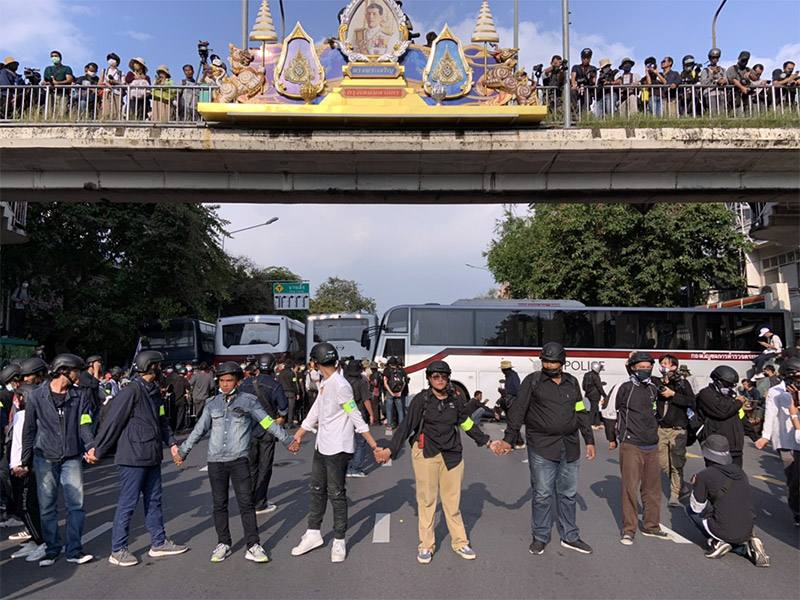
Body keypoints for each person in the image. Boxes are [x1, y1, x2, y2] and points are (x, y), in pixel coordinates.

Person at [175, 361, 297, 563]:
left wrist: (287, 440)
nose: (225, 384)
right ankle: (223, 543)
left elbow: (267, 421)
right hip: (215, 461)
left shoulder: (248, 401)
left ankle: (253, 545)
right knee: (219, 504)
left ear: (238, 382)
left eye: (229, 380)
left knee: (246, 503)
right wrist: (183, 451)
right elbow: (199, 430)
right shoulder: (212, 403)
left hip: (239, 459)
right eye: (222, 380)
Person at [376, 360, 494, 563]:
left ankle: (460, 542)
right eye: (435, 377)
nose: (440, 380)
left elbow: (466, 423)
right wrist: (390, 449)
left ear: (448, 378)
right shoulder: (421, 400)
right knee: (427, 501)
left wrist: (488, 442)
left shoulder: (455, 400)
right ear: (429, 379)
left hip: (452, 455)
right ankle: (426, 545)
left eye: (443, 376)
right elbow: (406, 426)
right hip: (426, 455)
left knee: (452, 504)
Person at [493, 342, 595, 555]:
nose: (548, 365)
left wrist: (590, 440)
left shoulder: (572, 383)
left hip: (570, 446)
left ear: (562, 362)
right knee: (542, 494)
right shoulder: (533, 382)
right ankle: (540, 536)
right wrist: (508, 440)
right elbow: (518, 411)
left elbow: (580, 411)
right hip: (542, 447)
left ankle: (570, 536)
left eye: (553, 361)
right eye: (545, 361)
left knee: (568, 494)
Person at [86, 350, 187, 566]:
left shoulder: (154, 392)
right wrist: (98, 451)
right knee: (128, 504)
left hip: (151, 455)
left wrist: (172, 443)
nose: (161, 370)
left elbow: (161, 420)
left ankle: (159, 543)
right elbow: (112, 423)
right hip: (132, 457)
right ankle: (118, 549)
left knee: (154, 500)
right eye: (159, 366)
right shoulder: (130, 392)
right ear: (150, 366)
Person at [291, 343, 379, 563]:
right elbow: (316, 410)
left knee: (336, 494)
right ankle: (313, 533)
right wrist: (299, 434)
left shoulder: (340, 385)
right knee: (316, 489)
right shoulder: (326, 382)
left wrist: (373, 444)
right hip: (322, 445)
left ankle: (339, 539)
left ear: (315, 362)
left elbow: (354, 414)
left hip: (338, 447)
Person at [20, 354, 95, 567]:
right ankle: (53, 549)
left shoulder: (79, 396)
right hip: (44, 457)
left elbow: (85, 423)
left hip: (71, 457)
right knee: (47, 507)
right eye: (77, 371)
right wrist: (25, 459)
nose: (79, 375)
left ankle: (74, 550)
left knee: (76, 505)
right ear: (64, 371)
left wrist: (90, 446)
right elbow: (29, 430)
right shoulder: (36, 397)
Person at [685, 435, 769, 566]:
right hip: (748, 528)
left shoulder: (704, 475)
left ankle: (716, 542)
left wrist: (696, 486)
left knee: (689, 510)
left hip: (723, 528)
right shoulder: (739, 471)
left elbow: (697, 508)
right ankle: (749, 547)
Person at [615, 352, 671, 545]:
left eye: (648, 367)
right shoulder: (625, 388)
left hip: (652, 444)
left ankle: (651, 526)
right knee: (629, 489)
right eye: (641, 367)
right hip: (631, 444)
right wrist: (615, 438)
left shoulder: (653, 387)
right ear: (632, 368)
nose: (645, 370)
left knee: (652, 489)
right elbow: (613, 414)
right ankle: (629, 530)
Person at [238, 352, 288, 514]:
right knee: (264, 466)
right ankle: (260, 503)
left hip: (247, 430)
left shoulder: (245, 383)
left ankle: (249, 500)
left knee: (250, 467)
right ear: (273, 366)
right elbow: (283, 408)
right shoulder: (275, 385)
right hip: (267, 429)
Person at [754, 357, 800, 526]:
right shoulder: (775, 392)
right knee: (793, 477)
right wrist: (765, 437)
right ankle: (797, 510)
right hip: (786, 441)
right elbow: (770, 415)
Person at [8, 384, 47, 562]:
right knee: (23, 504)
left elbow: (25, 442)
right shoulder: (20, 415)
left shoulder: (26, 416)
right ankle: (34, 538)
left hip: (24, 467)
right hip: (16, 465)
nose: (17, 400)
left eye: (20, 397)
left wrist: (22, 464)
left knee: (26, 506)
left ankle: (41, 541)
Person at [695, 365, 758, 468]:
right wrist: (738, 402)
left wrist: (755, 438)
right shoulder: (706, 394)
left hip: (735, 447)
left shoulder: (731, 396)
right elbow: (722, 412)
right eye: (727, 384)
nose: (729, 387)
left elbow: (741, 418)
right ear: (717, 381)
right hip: (716, 446)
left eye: (732, 385)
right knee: (717, 478)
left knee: (736, 478)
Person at [655, 354, 696, 507]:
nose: (662, 366)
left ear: (674, 366)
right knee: (662, 462)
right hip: (661, 429)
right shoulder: (656, 382)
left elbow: (691, 401)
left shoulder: (682, 384)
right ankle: (682, 486)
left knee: (676, 463)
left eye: (665, 363)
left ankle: (674, 494)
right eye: (661, 363)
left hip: (678, 429)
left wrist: (673, 395)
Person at [344, 360, 374, 478]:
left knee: (348, 441)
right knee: (361, 442)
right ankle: (356, 468)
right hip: (359, 413)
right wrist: (371, 414)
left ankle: (347, 466)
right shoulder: (361, 382)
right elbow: (366, 399)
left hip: (345, 414)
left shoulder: (344, 382)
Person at [42, 50, 74, 118]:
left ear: (60, 58)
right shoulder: (48, 69)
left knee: (62, 112)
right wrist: (47, 83)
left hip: (62, 93)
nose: (54, 58)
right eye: (52, 56)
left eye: (56, 56)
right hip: (51, 93)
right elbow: (44, 81)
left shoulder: (66, 68)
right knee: (49, 112)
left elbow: (69, 79)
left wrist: (57, 83)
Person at [499, 360, 523, 447]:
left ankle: (512, 443)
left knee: (512, 422)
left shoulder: (513, 376)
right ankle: (519, 441)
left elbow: (517, 390)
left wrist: (505, 391)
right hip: (509, 402)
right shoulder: (508, 376)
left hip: (512, 402)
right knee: (511, 422)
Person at [699, 48, 728, 116]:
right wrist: (712, 75)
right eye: (713, 58)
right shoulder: (705, 71)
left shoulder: (723, 70)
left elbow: (727, 81)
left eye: (716, 58)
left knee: (722, 113)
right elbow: (703, 84)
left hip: (721, 93)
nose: (714, 59)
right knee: (713, 113)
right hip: (710, 94)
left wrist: (724, 81)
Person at [383, 356, 407, 431]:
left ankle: (390, 425)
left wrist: (390, 392)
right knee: (400, 409)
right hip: (399, 391)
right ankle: (401, 425)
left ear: (389, 364)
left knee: (389, 409)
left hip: (390, 392)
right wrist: (400, 392)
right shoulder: (401, 370)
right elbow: (404, 382)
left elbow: (385, 382)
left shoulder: (387, 370)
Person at [570, 48, 596, 116]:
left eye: (587, 58)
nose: (585, 60)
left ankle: (583, 117)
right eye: (584, 58)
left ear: (590, 58)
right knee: (572, 92)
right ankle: (574, 113)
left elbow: (594, 81)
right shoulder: (576, 67)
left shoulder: (592, 68)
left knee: (585, 106)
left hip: (587, 89)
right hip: (577, 88)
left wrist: (589, 77)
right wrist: (574, 85)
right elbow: (573, 77)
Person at [582, 361, 607, 430]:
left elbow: (583, 385)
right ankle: (591, 424)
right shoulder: (596, 376)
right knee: (593, 409)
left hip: (588, 394)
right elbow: (599, 386)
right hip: (595, 395)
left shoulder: (587, 374)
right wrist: (604, 395)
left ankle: (597, 423)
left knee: (596, 409)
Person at [99, 52, 124, 120]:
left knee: (116, 111)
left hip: (117, 93)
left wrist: (115, 82)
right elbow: (99, 83)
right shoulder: (105, 71)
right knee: (106, 111)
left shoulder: (120, 73)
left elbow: (124, 84)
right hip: (107, 92)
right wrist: (106, 83)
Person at [278, 360, 300, 427]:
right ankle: (290, 423)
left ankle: (283, 422)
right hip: (291, 392)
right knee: (291, 408)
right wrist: (297, 393)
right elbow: (294, 383)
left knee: (283, 408)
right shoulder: (292, 373)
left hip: (283, 392)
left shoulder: (281, 373)